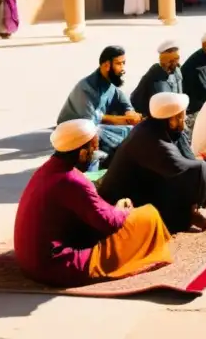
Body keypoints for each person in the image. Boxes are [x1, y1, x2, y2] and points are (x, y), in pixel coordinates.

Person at [14, 119, 172, 288]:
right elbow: (107, 223)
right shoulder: (72, 180)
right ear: (82, 153)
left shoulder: (48, 169)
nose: (97, 151)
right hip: (55, 266)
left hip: (29, 261)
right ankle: (148, 252)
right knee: (149, 214)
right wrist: (122, 210)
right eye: (94, 147)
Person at [99, 92, 206, 233]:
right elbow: (186, 170)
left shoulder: (163, 129)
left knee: (192, 173)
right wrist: (205, 171)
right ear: (172, 119)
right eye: (182, 115)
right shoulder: (151, 139)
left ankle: (187, 216)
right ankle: (183, 218)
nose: (185, 118)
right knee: (197, 173)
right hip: (121, 205)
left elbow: (187, 160)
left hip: (144, 190)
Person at [58, 46, 141, 165]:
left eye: (123, 63)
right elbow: (90, 121)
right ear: (107, 65)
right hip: (75, 131)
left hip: (96, 126)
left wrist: (129, 112)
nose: (122, 69)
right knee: (115, 145)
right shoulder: (86, 88)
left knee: (133, 132)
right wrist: (124, 120)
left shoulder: (109, 81)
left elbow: (122, 100)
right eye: (119, 64)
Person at [130, 40, 184, 118]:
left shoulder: (177, 71)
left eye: (177, 59)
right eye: (171, 61)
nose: (176, 63)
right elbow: (136, 98)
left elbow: (179, 94)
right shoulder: (155, 75)